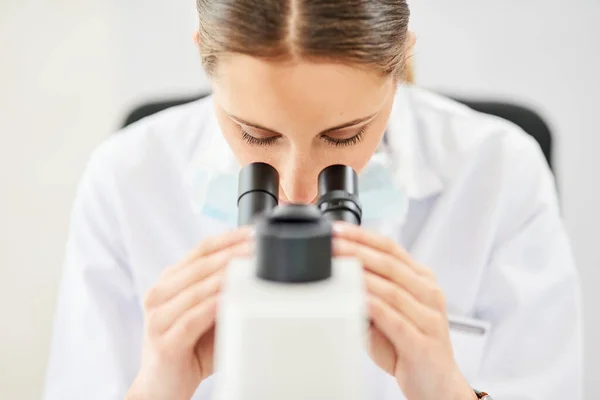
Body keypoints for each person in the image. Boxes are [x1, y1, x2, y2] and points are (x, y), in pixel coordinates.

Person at [42, 1, 582, 399]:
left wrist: (443, 387)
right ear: (204, 60)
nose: (298, 193)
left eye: (344, 137)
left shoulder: (498, 170)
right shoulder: (127, 177)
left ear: (400, 64)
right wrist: (157, 387)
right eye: (255, 136)